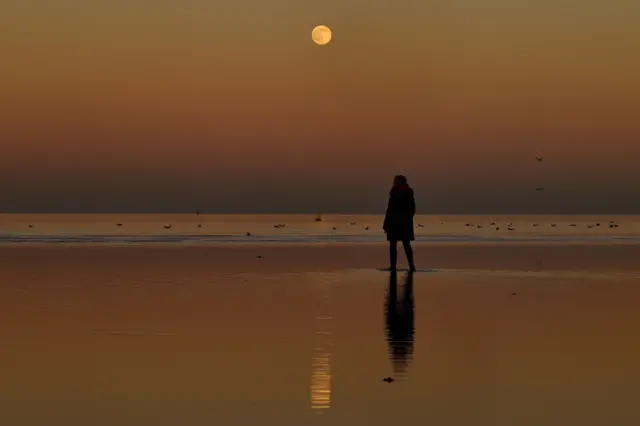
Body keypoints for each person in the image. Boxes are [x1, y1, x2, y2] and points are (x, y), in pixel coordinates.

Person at [383, 175, 416, 271]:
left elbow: (390, 209)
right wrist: (407, 219)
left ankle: (393, 266)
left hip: (394, 222)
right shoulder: (409, 193)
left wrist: (387, 223)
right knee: (406, 244)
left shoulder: (395, 192)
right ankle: (411, 265)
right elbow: (413, 209)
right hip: (406, 223)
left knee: (393, 244)